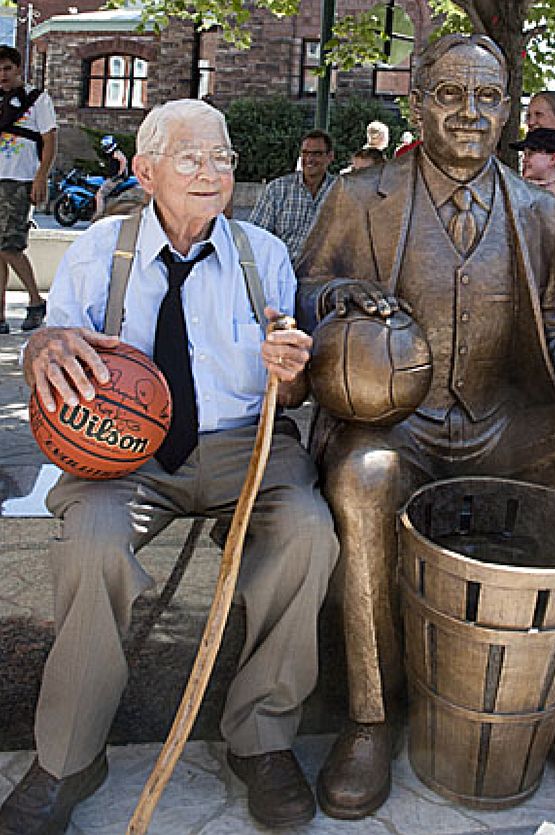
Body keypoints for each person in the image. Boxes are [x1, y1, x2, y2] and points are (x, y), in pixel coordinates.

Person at [297, 34, 555, 819]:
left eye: (489, 98)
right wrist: (341, 301)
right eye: (452, 94)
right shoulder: (362, 195)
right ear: (417, 103)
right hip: (398, 422)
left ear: (507, 110)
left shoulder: (535, 209)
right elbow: (307, 285)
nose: (471, 112)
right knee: (363, 477)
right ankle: (369, 715)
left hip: (499, 420)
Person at [0, 99, 338, 834]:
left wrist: (293, 370)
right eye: (190, 158)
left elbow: (296, 383)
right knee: (91, 543)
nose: (212, 172)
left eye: (222, 158)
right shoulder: (99, 250)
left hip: (246, 444)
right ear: (146, 171)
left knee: (310, 530)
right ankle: (68, 755)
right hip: (125, 455)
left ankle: (262, 739)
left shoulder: (263, 253)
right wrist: (38, 352)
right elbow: (51, 346)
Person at [0, 45, 56, 335]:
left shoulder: (37, 100)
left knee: (10, 246)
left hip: (19, 180)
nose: (2, 75)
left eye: (7, 68)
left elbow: (49, 141)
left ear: (18, 68)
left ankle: (36, 301)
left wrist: (40, 177)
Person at [249, 129, 336, 265]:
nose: (310, 159)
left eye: (317, 154)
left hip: (324, 273)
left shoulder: (339, 191)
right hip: (281, 269)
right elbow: (256, 236)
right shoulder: (278, 189)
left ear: (330, 156)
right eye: (305, 153)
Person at [511, 126, 555, 238]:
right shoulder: (543, 188)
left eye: (531, 154)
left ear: (553, 158)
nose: (524, 159)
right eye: (524, 154)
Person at [92, 134, 128, 220]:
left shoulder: (116, 153)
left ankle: (99, 215)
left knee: (99, 195)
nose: (105, 147)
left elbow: (123, 161)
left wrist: (119, 174)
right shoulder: (113, 153)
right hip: (113, 178)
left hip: (115, 179)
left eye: (106, 145)